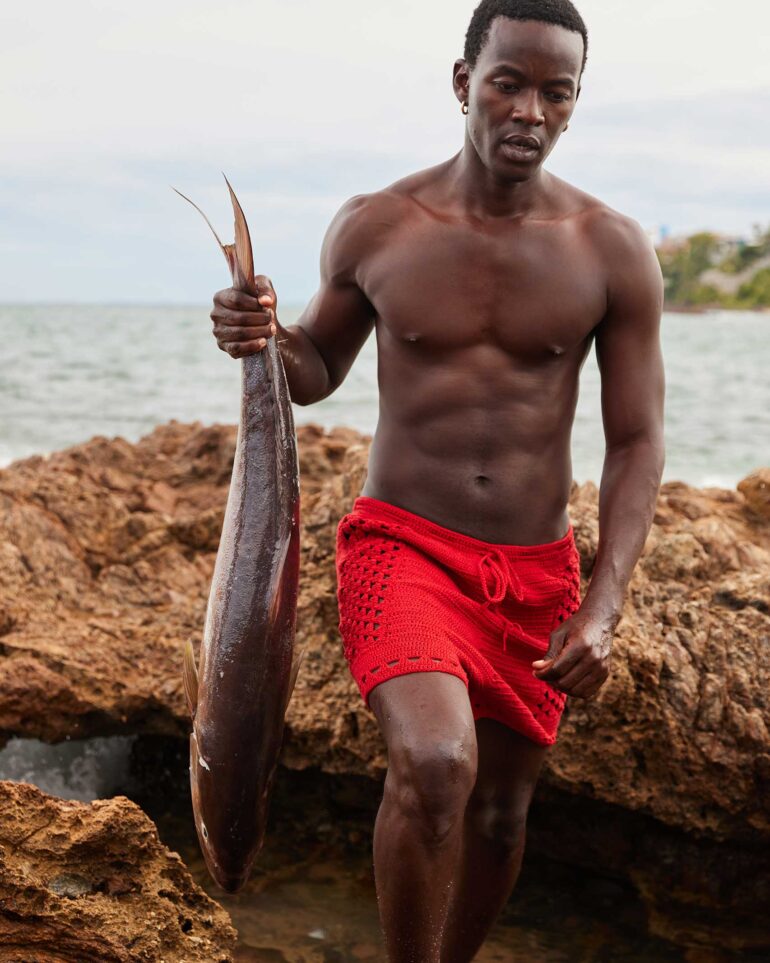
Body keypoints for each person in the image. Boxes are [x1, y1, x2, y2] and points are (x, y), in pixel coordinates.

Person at [210, 0, 665, 958]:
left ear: (576, 106)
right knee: (434, 761)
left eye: (556, 91)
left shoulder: (610, 249)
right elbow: (313, 371)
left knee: (499, 814)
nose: (529, 110)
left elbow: (637, 439)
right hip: (403, 546)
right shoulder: (380, 226)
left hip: (537, 573)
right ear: (464, 84)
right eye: (508, 82)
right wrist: (264, 336)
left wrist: (605, 603)